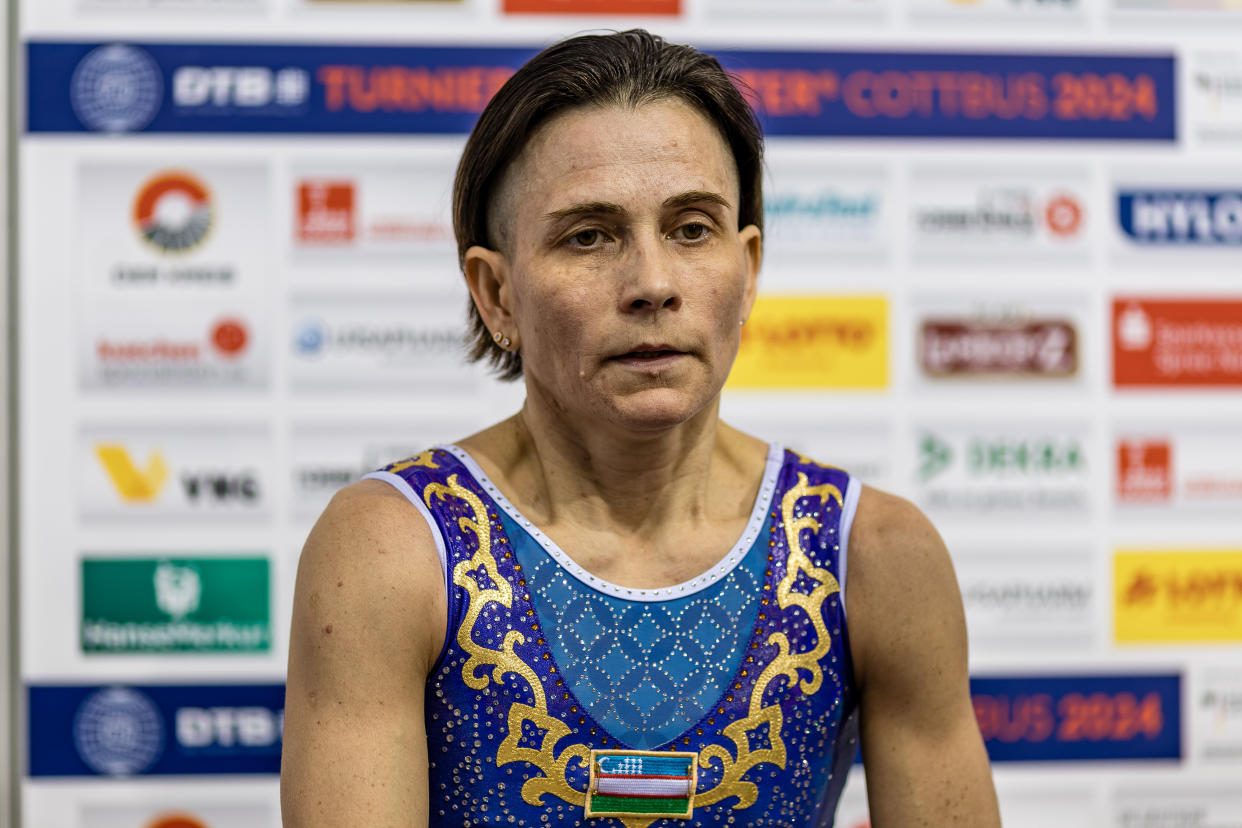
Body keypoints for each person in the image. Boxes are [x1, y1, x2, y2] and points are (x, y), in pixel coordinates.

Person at [281, 30, 1002, 828]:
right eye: (588, 236)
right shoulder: (393, 548)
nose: (652, 284)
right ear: (496, 293)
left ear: (749, 266)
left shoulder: (872, 554)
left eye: (692, 229)